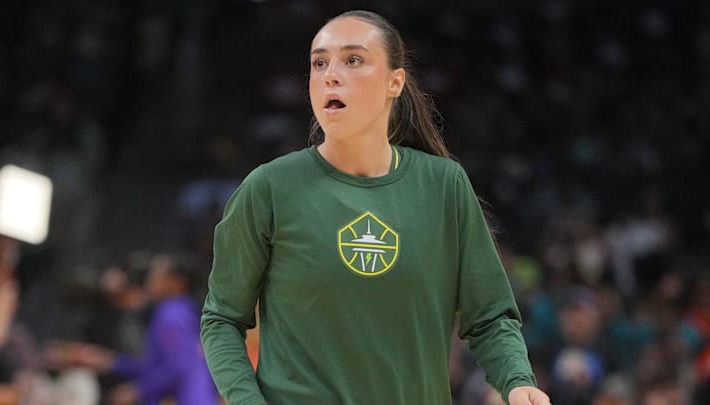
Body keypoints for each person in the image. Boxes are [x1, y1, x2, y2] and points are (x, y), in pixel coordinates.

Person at [201, 9, 551, 405]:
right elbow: (222, 319)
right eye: (319, 63)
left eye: (353, 60)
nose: (331, 73)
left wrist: (517, 380)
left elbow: (489, 317)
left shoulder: (444, 186)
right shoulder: (269, 188)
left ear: (394, 82)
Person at [67, 253, 218, 405]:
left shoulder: (173, 314)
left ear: (177, 282)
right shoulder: (178, 310)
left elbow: (178, 367)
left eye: (157, 274)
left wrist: (138, 390)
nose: (150, 279)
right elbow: (156, 366)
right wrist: (111, 362)